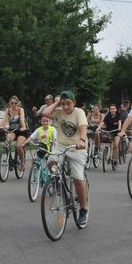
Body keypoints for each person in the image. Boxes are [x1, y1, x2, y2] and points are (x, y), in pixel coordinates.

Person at [42, 91, 89, 225]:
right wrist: (57, 102)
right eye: (64, 104)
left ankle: (84, 210)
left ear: (74, 103)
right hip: (61, 146)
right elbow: (45, 113)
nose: (66, 107)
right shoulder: (59, 111)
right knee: (51, 160)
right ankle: (57, 179)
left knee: (78, 178)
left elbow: (83, 127)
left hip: (77, 147)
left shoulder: (79, 112)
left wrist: (81, 140)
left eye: (68, 103)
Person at [0, 96, 28, 171]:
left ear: (17, 103)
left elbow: (22, 119)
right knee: (8, 141)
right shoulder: (8, 110)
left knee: (18, 146)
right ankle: (9, 159)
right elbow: (4, 119)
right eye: (12, 103)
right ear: (10, 103)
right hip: (12, 130)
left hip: (21, 130)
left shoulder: (20, 110)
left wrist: (23, 127)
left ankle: (22, 162)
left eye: (15, 103)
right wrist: (0, 125)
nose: (13, 104)